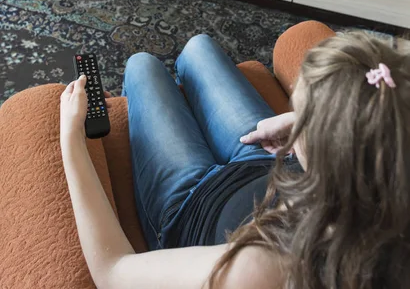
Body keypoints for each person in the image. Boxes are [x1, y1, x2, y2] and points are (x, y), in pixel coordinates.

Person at [60, 31, 410, 289]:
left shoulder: (267, 266)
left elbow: (112, 270)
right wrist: (306, 129)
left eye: (299, 112)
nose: (292, 116)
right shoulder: (385, 196)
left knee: (142, 66)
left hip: (192, 203)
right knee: (198, 45)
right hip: (266, 162)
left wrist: (71, 138)